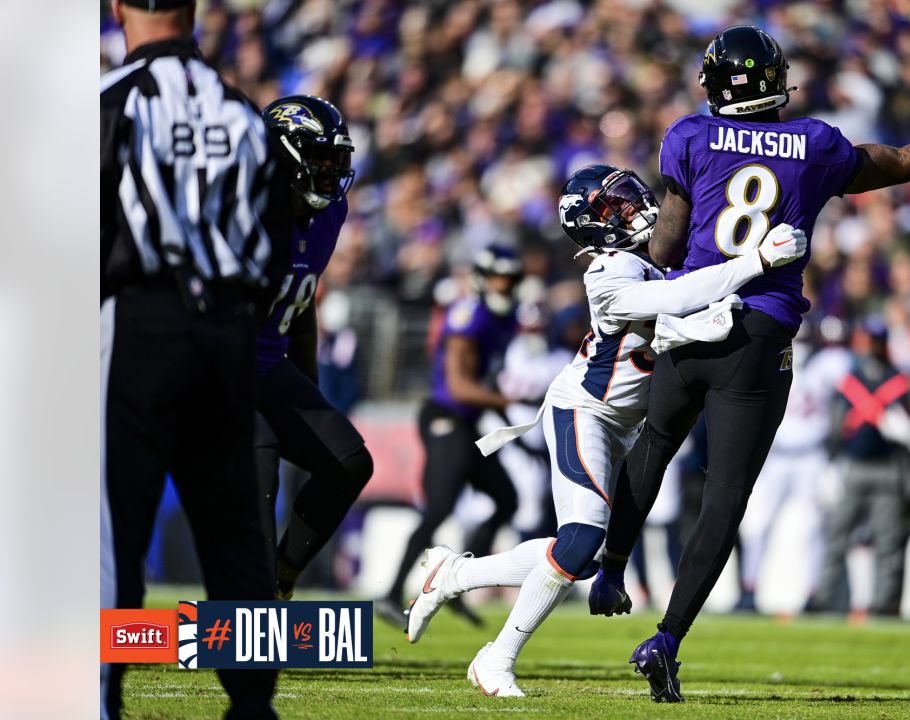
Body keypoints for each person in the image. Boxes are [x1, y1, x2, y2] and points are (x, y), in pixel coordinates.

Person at [594, 24, 910, 701]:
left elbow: (673, 245)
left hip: (689, 325)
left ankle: (611, 568)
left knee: (653, 444)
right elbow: (899, 162)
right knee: (726, 494)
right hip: (758, 336)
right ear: (774, 80)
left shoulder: (686, 136)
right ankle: (667, 637)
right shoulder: (814, 143)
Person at [398, 164, 807, 697]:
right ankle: (495, 658)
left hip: (628, 427)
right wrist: (756, 260)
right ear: (593, 226)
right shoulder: (608, 271)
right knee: (583, 539)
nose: (636, 210)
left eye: (632, 198)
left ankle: (453, 576)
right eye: (617, 208)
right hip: (585, 411)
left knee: (581, 552)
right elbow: (678, 302)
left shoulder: (657, 260)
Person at [100, 1, 290, 717]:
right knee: (235, 531)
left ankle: (103, 693)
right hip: (227, 331)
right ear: (195, 11)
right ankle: (252, 704)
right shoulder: (241, 113)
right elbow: (275, 243)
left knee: (114, 528)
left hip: (137, 323)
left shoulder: (111, 100)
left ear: (119, 8)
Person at [254, 95, 373, 600]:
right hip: (214, 367)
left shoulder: (330, 212)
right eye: (318, 156)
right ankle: (247, 617)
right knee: (259, 479)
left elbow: (301, 302)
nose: (330, 170)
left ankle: (280, 581)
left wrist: (306, 389)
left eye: (336, 158)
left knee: (347, 463)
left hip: (267, 365)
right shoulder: (244, 213)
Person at [378, 244, 525, 626]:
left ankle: (460, 584)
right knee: (439, 508)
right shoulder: (468, 315)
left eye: (510, 280)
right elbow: (460, 387)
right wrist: (507, 399)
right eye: (498, 278)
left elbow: (484, 385)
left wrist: (515, 427)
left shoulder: (506, 320)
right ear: (481, 277)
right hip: (445, 417)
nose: (504, 286)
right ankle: (391, 594)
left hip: (469, 423)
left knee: (506, 499)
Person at [813, 317, 910, 617]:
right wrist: (832, 462)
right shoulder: (851, 380)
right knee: (837, 535)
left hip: (888, 467)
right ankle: (826, 596)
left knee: (888, 541)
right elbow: (835, 426)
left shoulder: (900, 381)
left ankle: (885, 601)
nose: (872, 346)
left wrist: (909, 429)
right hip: (854, 466)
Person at [734, 328, 846, 613]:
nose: (801, 345)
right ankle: (749, 589)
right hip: (777, 455)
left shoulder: (827, 364)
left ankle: (813, 593)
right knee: (758, 524)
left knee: (813, 527)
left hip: (812, 455)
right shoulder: (773, 358)